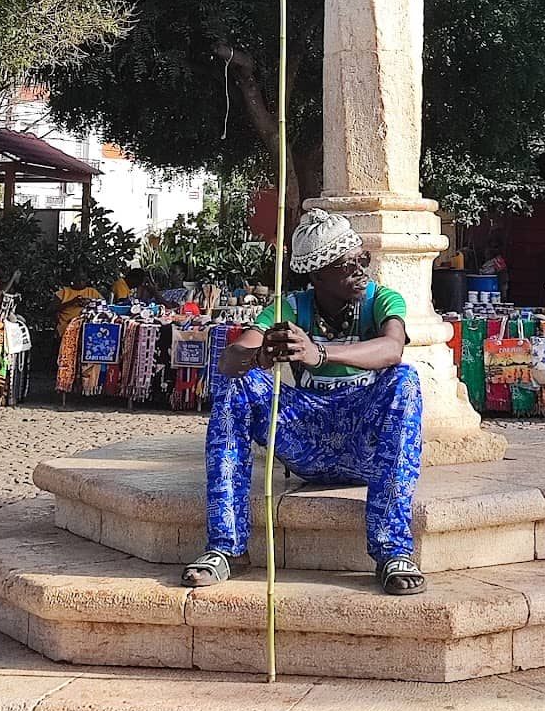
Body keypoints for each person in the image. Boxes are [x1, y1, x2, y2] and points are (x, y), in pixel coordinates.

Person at [180, 208, 425, 597]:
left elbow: (392, 349)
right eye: (347, 266)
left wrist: (320, 353)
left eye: (363, 260)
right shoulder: (291, 307)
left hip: (362, 443)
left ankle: (393, 550)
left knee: (405, 381)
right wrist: (258, 357)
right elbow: (230, 359)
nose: (361, 271)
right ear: (317, 276)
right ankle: (225, 546)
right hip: (307, 438)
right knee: (235, 385)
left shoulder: (382, 300)